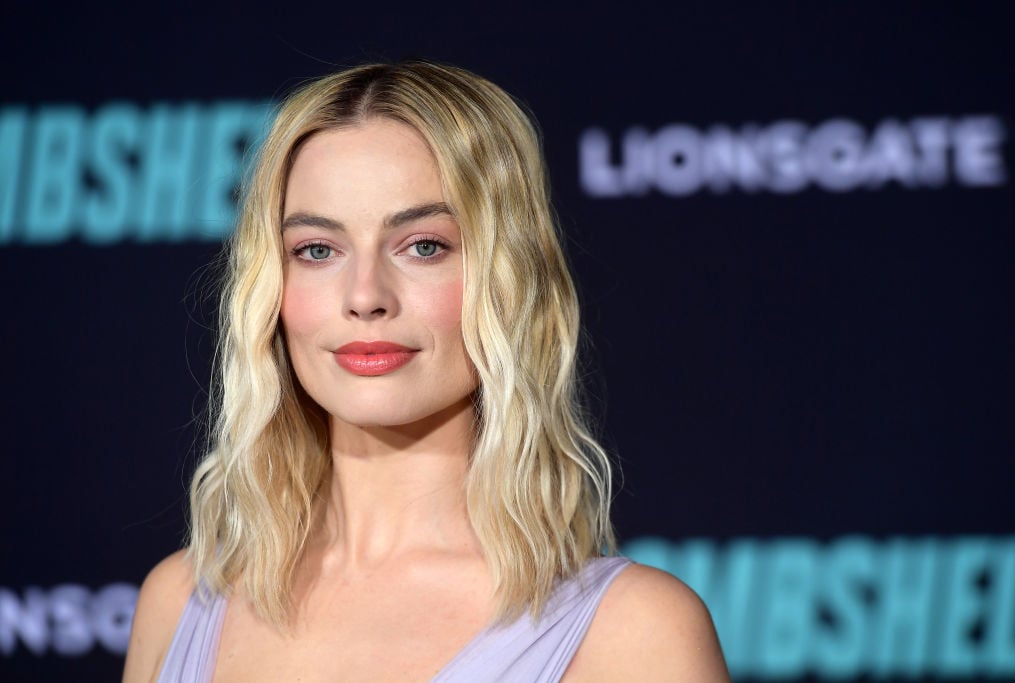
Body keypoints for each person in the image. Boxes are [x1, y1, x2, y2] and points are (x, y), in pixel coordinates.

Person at [123, 61, 730, 682]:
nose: (365, 296)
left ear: (508, 279)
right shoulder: (179, 602)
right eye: (317, 250)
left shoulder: (634, 632)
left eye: (423, 246)